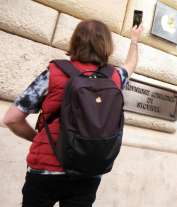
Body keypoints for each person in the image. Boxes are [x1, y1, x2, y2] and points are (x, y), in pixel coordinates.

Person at [2, 20, 143, 207]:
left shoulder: (54, 73)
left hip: (46, 168)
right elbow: (130, 65)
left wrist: (37, 138)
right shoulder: (114, 78)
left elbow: (11, 119)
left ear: (75, 41)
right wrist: (134, 40)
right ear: (107, 45)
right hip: (88, 171)